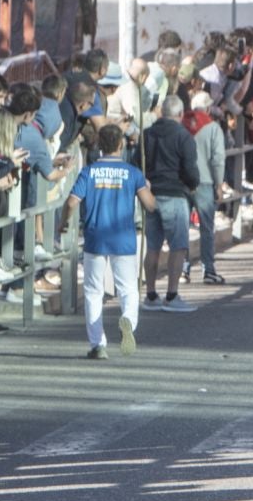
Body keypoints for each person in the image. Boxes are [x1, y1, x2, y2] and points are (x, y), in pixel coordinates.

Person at [67, 123, 156, 360]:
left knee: (93, 291)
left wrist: (63, 222)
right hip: (124, 238)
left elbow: (72, 201)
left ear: (99, 144)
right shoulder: (133, 173)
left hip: (95, 237)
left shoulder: (88, 172)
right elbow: (150, 205)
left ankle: (98, 344)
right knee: (128, 288)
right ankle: (128, 321)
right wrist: (147, 187)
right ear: (121, 144)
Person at [141, 96, 198, 315]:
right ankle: (172, 295)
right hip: (175, 193)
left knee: (152, 246)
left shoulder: (147, 134)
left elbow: (138, 161)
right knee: (178, 246)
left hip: (151, 193)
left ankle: (151, 294)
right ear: (180, 114)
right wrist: (193, 185)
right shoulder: (183, 136)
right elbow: (190, 169)